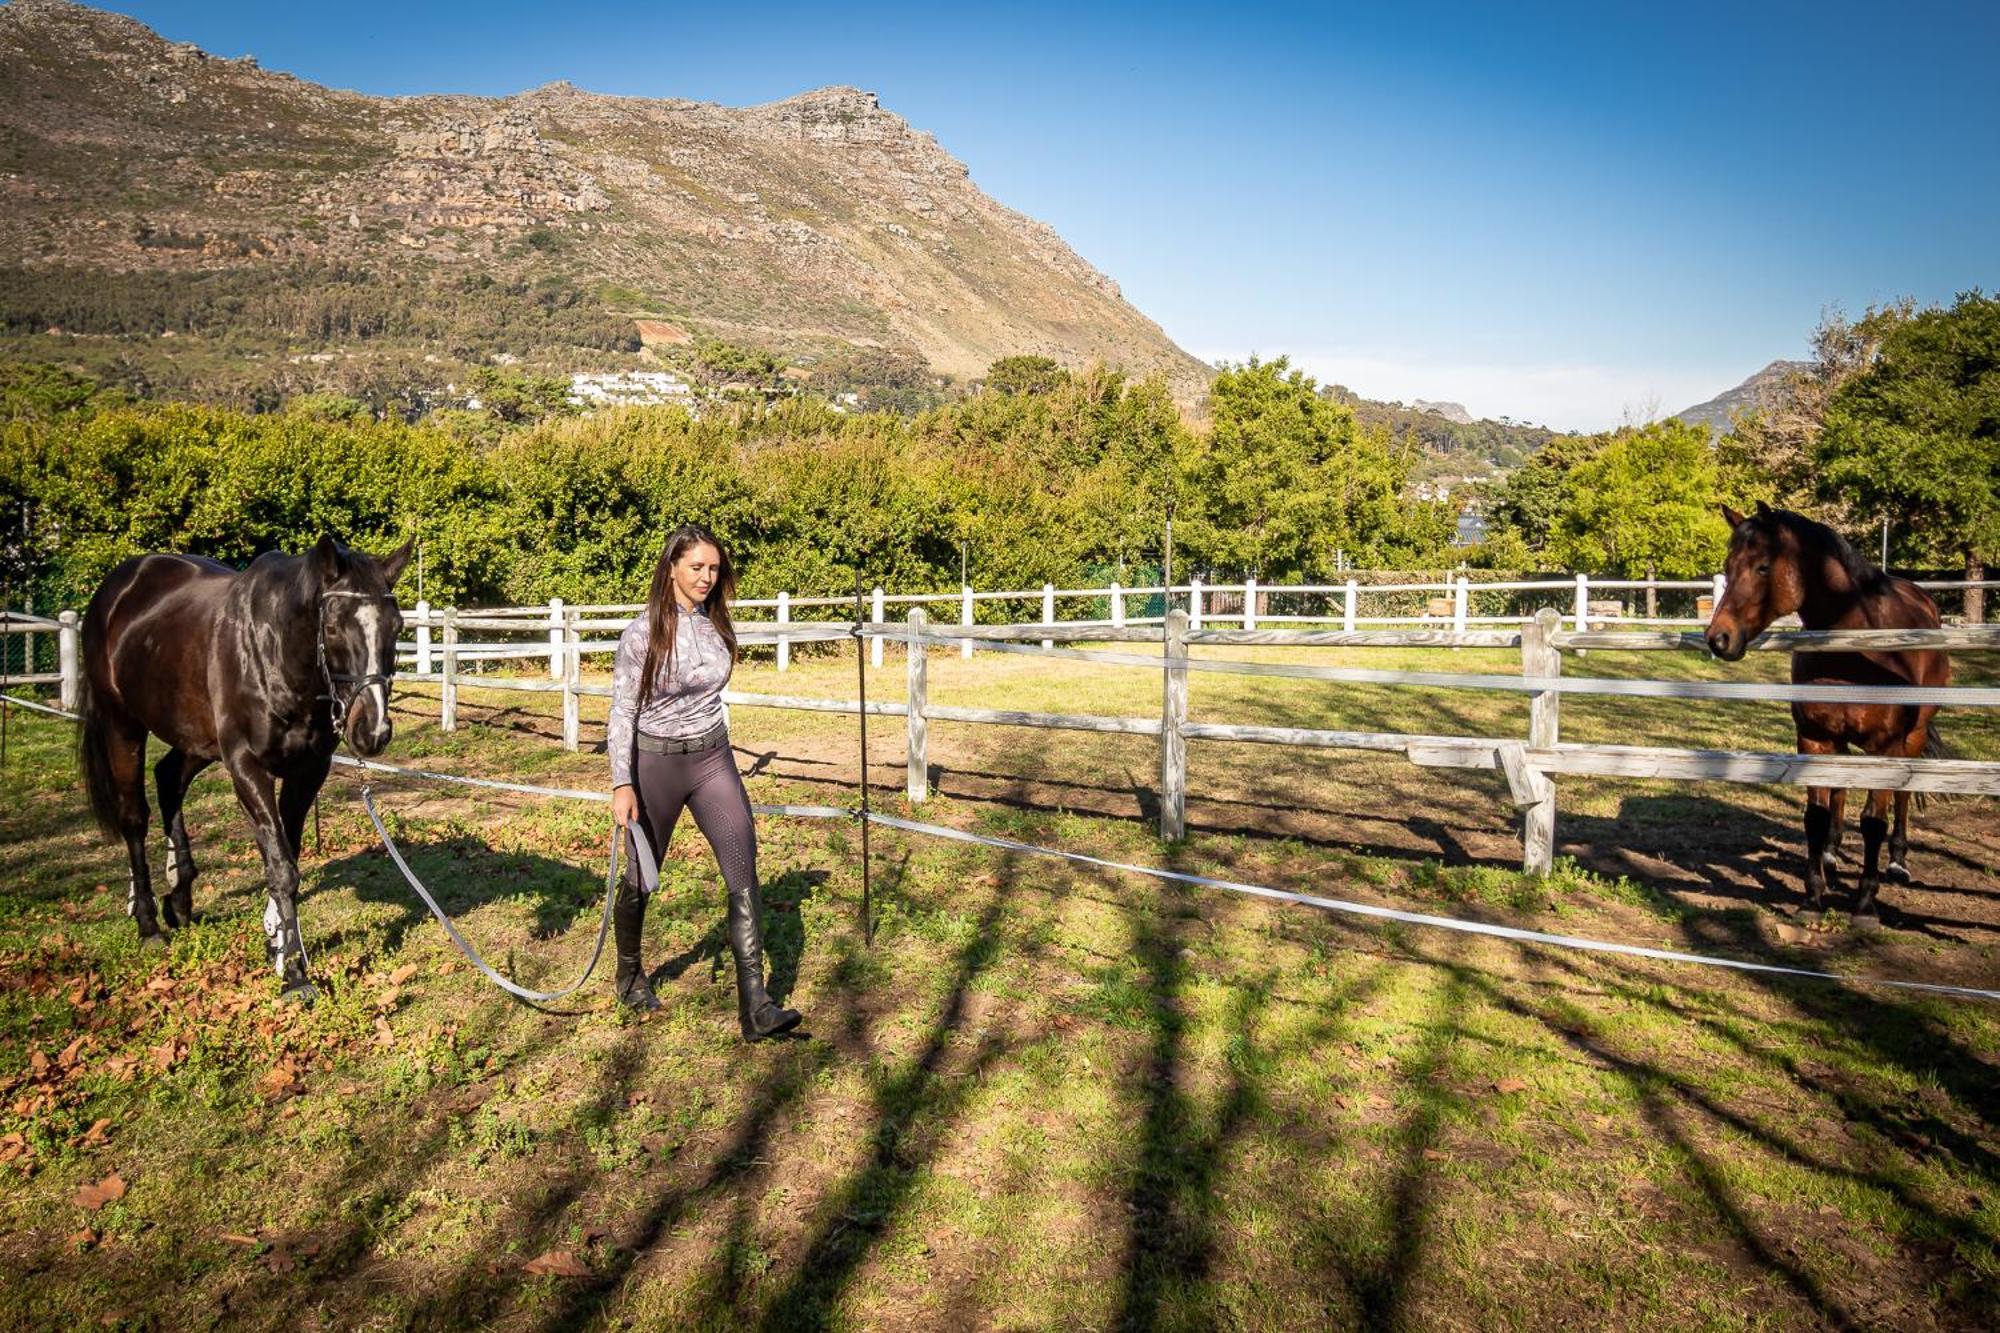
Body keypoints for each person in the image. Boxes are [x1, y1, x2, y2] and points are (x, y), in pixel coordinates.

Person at [607, 524, 802, 1041]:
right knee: (641, 876)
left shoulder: (717, 625)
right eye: (697, 567)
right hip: (656, 765)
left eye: (714, 569)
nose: (706, 578)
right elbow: (623, 712)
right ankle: (628, 975)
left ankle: (755, 1007)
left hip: (712, 758)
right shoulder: (640, 634)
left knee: (743, 863)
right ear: (671, 567)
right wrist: (621, 783)